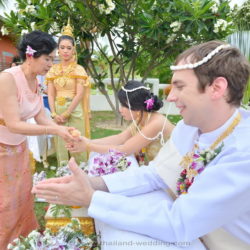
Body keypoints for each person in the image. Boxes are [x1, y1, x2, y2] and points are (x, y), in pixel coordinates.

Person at [32, 40, 250, 250]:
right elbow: (154, 175)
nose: (171, 97)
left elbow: (180, 223)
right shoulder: (190, 128)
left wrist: (91, 198)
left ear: (217, 88)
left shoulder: (243, 153)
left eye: (179, 86)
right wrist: (93, 182)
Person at [0, 30, 76, 250]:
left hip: (18, 147)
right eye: (48, 58)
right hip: (2, 148)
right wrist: (53, 132)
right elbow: (14, 123)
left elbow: (40, 115)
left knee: (22, 197)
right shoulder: (8, 79)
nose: (51, 64)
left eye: (52, 59)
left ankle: (23, 240)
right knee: (5, 202)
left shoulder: (36, 80)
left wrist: (61, 129)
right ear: (31, 56)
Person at [67, 80, 174, 166]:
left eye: (123, 105)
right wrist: (88, 141)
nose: (120, 110)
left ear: (136, 107)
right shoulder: (142, 118)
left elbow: (124, 150)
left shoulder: (156, 123)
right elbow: (120, 138)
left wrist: (89, 146)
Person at [45, 20, 90, 166]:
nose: (65, 51)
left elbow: (79, 94)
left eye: (68, 48)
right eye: (62, 47)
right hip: (57, 109)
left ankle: (82, 168)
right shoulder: (52, 70)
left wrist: (67, 113)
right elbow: (50, 94)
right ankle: (63, 169)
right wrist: (54, 113)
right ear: (58, 49)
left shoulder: (79, 69)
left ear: (73, 50)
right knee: (61, 140)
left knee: (77, 138)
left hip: (74, 109)